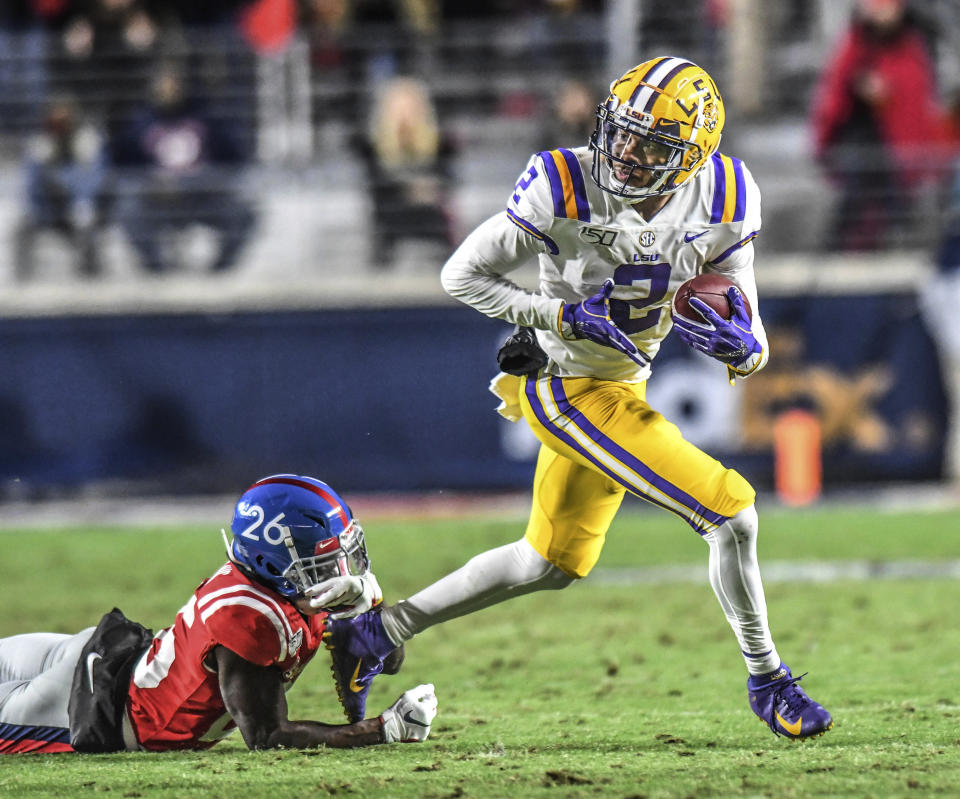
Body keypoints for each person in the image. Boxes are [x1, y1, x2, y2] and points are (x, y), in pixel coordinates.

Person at [322, 56, 834, 741]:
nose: (626, 152)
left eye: (652, 143)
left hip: (622, 382)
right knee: (731, 511)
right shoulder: (566, 182)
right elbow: (461, 274)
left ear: (692, 157)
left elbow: (752, 328)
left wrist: (746, 349)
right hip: (563, 383)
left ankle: (375, 631)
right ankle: (769, 679)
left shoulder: (726, 198)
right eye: (622, 132)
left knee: (550, 562)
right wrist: (557, 316)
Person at [0, 474, 436, 754]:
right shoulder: (251, 615)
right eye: (322, 564)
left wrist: (371, 606)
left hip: (97, 654)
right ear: (273, 563)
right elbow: (268, 737)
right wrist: (383, 730)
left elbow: (384, 658)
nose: (339, 572)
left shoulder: (278, 584)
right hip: (82, 709)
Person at [811, 0, 951, 251]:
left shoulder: (911, 45)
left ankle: (894, 248)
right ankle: (839, 251)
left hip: (895, 143)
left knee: (895, 202)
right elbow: (837, 90)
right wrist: (861, 88)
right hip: (860, 137)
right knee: (856, 199)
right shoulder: (856, 44)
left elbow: (916, 97)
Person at [110, 62, 256, 274]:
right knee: (127, 211)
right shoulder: (140, 122)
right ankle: (157, 271)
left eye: (173, 84)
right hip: (157, 199)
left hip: (201, 196)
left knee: (243, 215)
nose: (168, 90)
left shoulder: (204, 117)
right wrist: (151, 180)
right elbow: (123, 160)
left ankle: (219, 272)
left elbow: (233, 154)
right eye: (163, 84)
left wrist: (205, 178)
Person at [13, 97, 109, 280]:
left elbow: (97, 177)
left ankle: (90, 275)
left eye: (65, 113)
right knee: (21, 227)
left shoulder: (87, 141)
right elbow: (32, 185)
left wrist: (82, 203)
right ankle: (22, 280)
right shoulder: (40, 145)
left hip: (79, 210)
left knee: (87, 225)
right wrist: (36, 209)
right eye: (56, 112)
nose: (60, 118)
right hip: (49, 210)